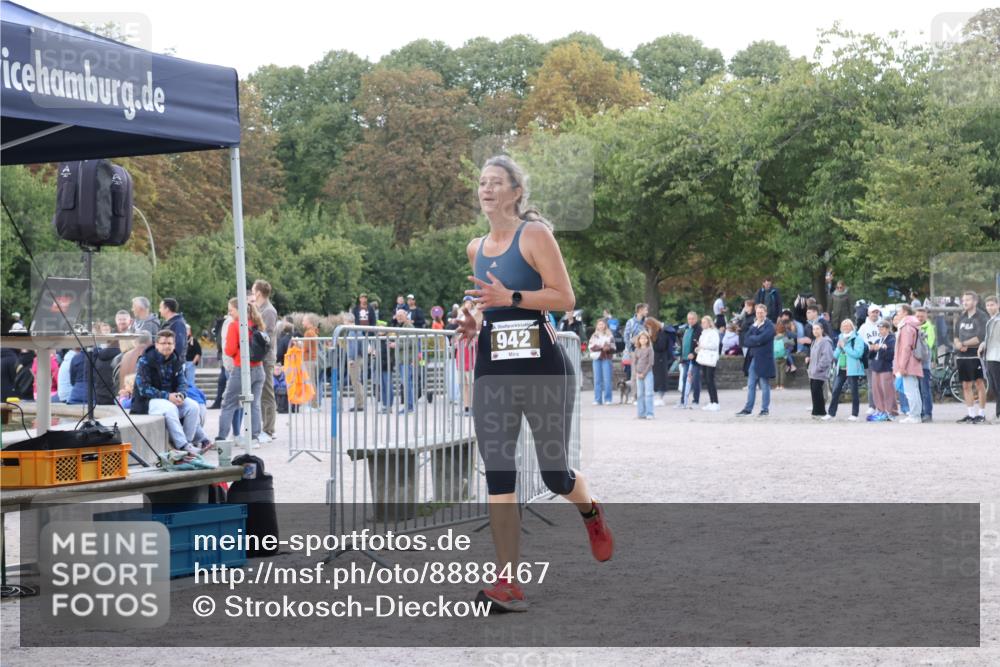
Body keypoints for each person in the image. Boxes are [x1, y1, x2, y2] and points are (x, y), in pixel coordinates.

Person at [464, 155, 612, 612]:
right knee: (499, 474)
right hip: (493, 369)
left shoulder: (535, 235)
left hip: (542, 368)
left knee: (554, 474)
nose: (486, 190)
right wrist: (472, 320)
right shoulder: (475, 247)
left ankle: (589, 510)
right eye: (482, 183)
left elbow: (564, 297)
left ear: (515, 192)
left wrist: (511, 297)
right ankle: (507, 581)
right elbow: (484, 304)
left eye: (496, 183)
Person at [131, 329, 211, 454]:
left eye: (169, 343)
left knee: (193, 406)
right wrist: (167, 396)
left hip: (171, 398)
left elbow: (182, 383)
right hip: (147, 402)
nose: (166, 346)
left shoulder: (176, 360)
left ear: (174, 345)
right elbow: (143, 389)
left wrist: (181, 394)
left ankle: (188, 443)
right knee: (169, 408)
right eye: (163, 343)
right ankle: (182, 445)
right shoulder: (145, 361)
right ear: (156, 345)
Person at [217, 298, 267, 444]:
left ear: (239, 310)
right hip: (259, 369)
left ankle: (221, 437)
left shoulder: (235, 325)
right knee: (254, 404)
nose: (229, 313)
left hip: (242, 370)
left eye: (231, 309)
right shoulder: (257, 324)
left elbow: (229, 349)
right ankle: (254, 437)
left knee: (229, 403)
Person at [953, 291, 988, 424]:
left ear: (975, 301)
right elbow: (956, 334)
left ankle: (981, 414)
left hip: (976, 354)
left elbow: (981, 336)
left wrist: (965, 343)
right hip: (962, 356)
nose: (965, 302)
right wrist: (957, 344)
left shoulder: (981, 316)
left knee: (979, 383)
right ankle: (971, 414)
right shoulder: (961, 317)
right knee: (966, 385)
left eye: (968, 300)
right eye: (963, 300)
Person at [823, 319, 866, 421]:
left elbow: (857, 354)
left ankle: (854, 414)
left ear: (852, 327)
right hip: (841, 368)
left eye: (848, 326)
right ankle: (831, 413)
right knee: (835, 390)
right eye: (843, 326)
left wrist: (844, 347)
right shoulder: (841, 337)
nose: (845, 328)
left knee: (854, 391)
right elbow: (836, 354)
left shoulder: (857, 338)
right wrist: (837, 349)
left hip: (852, 369)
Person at [737, 304, 775, 417]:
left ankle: (764, 409)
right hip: (753, 358)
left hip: (764, 359)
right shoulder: (753, 325)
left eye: (761, 312)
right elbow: (746, 340)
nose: (759, 314)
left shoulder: (769, 326)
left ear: (766, 313)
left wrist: (755, 340)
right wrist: (756, 339)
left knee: (764, 385)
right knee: (751, 384)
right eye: (758, 313)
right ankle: (748, 409)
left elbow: (762, 338)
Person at [252, 279, 279, 441]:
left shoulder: (268, 311)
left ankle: (269, 429)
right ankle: (265, 427)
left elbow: (265, 336)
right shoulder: (261, 308)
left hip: (266, 358)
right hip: (261, 357)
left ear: (259, 293)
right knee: (261, 394)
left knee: (267, 393)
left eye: (253, 290)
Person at [893, 304, 924, 424]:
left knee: (910, 391)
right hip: (913, 361)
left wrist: (902, 366)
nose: (897, 314)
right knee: (914, 389)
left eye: (899, 312)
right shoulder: (913, 325)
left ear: (905, 312)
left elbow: (906, 347)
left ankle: (914, 415)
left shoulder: (906, 327)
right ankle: (915, 414)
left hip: (908, 362)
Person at [867, 320, 897, 422]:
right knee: (877, 391)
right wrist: (872, 349)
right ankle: (880, 410)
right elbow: (870, 356)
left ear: (888, 329)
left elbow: (890, 355)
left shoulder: (891, 340)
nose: (881, 330)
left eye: (883, 328)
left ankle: (891, 411)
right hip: (876, 367)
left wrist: (881, 349)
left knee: (888, 391)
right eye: (879, 328)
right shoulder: (878, 340)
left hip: (886, 368)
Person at [978, 295, 1000, 422]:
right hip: (990, 356)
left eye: (992, 304)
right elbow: (988, 339)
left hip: (997, 357)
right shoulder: (990, 320)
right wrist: (982, 345)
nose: (990, 307)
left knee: (998, 387)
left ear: (998, 305)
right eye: (988, 305)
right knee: (995, 387)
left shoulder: (998, 320)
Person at [858, 305, 882, 414]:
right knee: (871, 383)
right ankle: (872, 406)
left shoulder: (883, 325)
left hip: (883, 357)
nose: (875, 314)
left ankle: (882, 405)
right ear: (868, 313)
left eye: (877, 312)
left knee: (883, 382)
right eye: (873, 312)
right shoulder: (863, 327)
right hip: (870, 357)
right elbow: (859, 341)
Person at [915, 306, 937, 423]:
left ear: (926, 316)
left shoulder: (929, 328)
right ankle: (920, 412)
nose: (919, 318)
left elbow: (929, 345)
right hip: (914, 364)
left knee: (925, 390)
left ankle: (927, 413)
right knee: (917, 390)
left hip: (924, 364)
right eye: (917, 316)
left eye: (922, 316)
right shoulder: (913, 326)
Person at [807, 323, 834, 418]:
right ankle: (816, 411)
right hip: (812, 372)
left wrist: (819, 368)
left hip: (820, 372)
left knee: (818, 392)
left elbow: (827, 357)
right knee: (814, 392)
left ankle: (821, 412)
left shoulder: (825, 342)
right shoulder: (814, 341)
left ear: (822, 330)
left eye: (817, 329)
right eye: (814, 329)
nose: (815, 331)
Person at [646, 317, 674, 405]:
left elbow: (661, 347)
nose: (648, 329)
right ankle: (657, 396)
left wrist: (651, 340)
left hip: (661, 358)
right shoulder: (656, 333)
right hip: (657, 358)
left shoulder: (661, 333)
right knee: (657, 378)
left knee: (661, 378)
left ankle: (660, 397)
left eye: (649, 327)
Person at [677, 311, 701, 409]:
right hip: (685, 359)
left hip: (694, 360)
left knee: (695, 379)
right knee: (684, 380)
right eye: (689, 319)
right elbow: (684, 344)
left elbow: (700, 345)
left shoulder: (699, 329)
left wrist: (694, 354)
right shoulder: (686, 329)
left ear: (696, 319)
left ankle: (696, 401)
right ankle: (683, 401)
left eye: (692, 319)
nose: (690, 321)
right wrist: (682, 357)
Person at [588, 318, 615, 406]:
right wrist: (601, 347)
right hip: (596, 359)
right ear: (597, 326)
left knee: (607, 379)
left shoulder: (610, 335)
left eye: (602, 324)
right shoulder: (594, 335)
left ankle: (608, 399)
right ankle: (598, 399)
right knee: (597, 380)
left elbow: (613, 348)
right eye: (599, 324)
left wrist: (607, 348)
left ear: (605, 325)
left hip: (606, 358)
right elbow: (591, 347)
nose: (601, 326)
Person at [696, 315, 720, 411]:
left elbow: (714, 345)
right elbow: (703, 345)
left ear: (709, 323)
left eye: (704, 322)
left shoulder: (713, 332)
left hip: (710, 359)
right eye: (702, 322)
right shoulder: (703, 333)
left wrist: (702, 346)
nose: (702, 324)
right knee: (707, 380)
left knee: (710, 380)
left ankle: (716, 402)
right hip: (704, 358)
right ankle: (711, 401)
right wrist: (698, 348)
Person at [622, 303, 648, 384]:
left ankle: (641, 394)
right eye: (646, 310)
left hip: (644, 352)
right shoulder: (630, 322)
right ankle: (634, 394)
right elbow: (626, 337)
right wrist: (630, 351)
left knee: (643, 374)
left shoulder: (647, 322)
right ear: (640, 310)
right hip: (633, 351)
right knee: (633, 375)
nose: (647, 312)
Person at [633, 331, 654, 419]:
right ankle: (641, 413)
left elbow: (650, 363)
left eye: (645, 338)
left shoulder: (650, 349)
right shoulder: (637, 350)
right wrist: (637, 373)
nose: (643, 340)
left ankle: (649, 413)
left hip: (647, 373)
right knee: (640, 394)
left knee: (648, 393)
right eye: (641, 338)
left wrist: (644, 373)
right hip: (638, 374)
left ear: (647, 340)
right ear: (638, 340)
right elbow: (635, 362)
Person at [158, 298, 188, 363]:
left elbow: (179, 345)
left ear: (167, 309)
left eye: (160, 307)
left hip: (173, 365)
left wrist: (168, 361)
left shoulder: (178, 324)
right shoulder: (168, 323)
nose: (159, 310)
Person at [184, 324, 201, 390]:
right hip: (182, 362)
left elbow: (198, 353)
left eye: (187, 330)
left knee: (190, 381)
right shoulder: (182, 340)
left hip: (190, 362)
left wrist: (193, 363)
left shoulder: (193, 340)